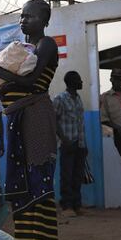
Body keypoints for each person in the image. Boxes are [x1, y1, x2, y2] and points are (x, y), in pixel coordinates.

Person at [0, 0, 59, 240]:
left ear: (44, 20)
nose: (23, 21)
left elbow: (31, 82)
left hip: (37, 119)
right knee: (27, 189)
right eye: (21, 16)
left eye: (29, 17)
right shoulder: (22, 50)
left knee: (40, 189)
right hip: (20, 121)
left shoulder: (47, 45)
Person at [53, 71, 87, 217]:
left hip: (80, 144)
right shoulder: (60, 99)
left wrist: (84, 145)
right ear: (72, 82)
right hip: (67, 143)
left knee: (77, 175)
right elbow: (53, 120)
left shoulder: (78, 98)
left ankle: (76, 205)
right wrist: (64, 139)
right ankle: (66, 206)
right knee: (67, 175)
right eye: (79, 80)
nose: (81, 82)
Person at [100, 69, 121, 213]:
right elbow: (104, 119)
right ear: (110, 79)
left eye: (120, 78)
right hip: (120, 134)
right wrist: (119, 128)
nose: (118, 80)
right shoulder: (105, 98)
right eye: (115, 78)